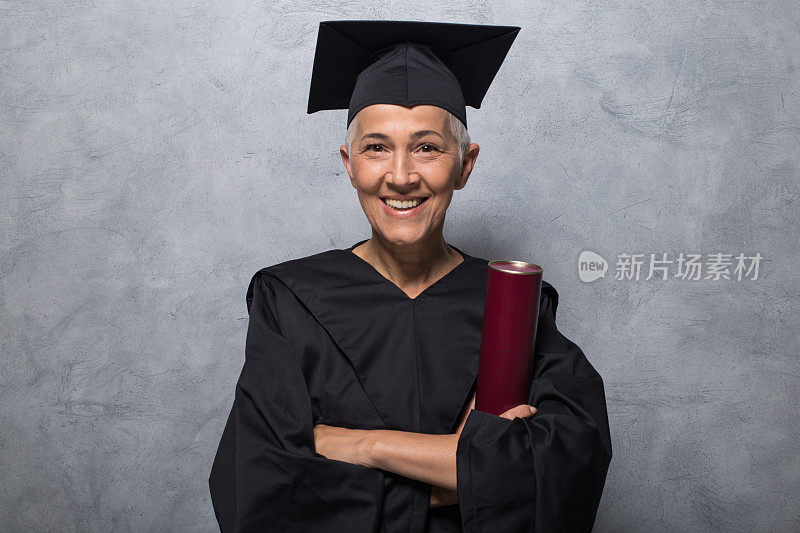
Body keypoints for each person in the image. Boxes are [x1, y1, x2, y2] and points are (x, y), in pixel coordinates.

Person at [209, 20, 612, 532]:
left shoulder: (515, 305)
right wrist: (470, 468)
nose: (401, 175)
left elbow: (565, 468)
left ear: (465, 166)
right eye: (376, 147)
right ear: (348, 163)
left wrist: (362, 445)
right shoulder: (290, 301)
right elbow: (260, 487)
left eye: (427, 147)